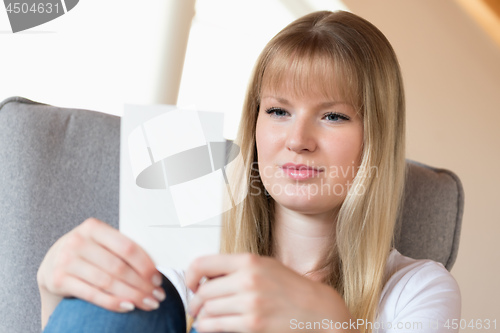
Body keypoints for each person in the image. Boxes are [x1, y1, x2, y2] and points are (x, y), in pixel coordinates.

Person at [38, 10, 460, 333]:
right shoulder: (186, 261)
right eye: (278, 111)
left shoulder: (416, 289)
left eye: (332, 116)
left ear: (377, 139)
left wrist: (328, 321)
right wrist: (51, 294)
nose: (297, 140)